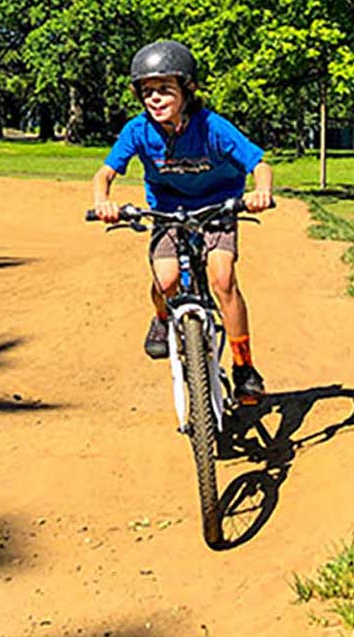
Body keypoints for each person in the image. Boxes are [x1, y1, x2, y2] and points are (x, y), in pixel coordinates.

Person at [92, 40, 274, 404]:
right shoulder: (137, 131)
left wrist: (261, 192)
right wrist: (103, 201)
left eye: (164, 90)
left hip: (218, 207)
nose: (154, 99)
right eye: (147, 92)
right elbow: (104, 174)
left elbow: (260, 164)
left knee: (222, 279)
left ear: (187, 90)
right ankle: (162, 317)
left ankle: (244, 367)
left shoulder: (212, 127)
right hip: (168, 210)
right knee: (168, 280)